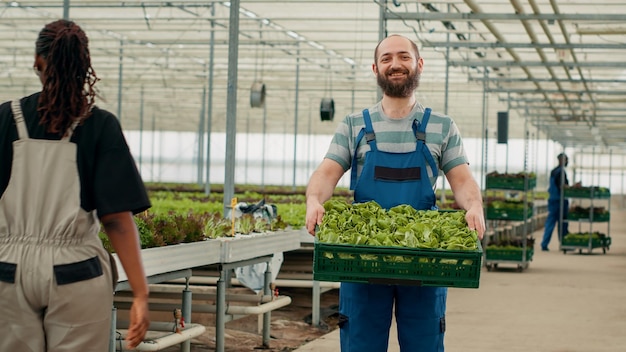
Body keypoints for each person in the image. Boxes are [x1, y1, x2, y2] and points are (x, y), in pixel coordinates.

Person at [305, 34, 485, 352]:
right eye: (387, 58)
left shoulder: (442, 126)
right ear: (376, 68)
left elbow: (462, 181)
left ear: (419, 65)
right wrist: (314, 200)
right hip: (362, 259)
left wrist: (474, 206)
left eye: (404, 56)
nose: (395, 64)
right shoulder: (353, 125)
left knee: (424, 344)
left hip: (423, 260)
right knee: (361, 343)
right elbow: (326, 173)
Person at [0, 19, 150, 351]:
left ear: (37, 62)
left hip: (7, 272)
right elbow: (116, 220)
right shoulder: (100, 126)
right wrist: (140, 293)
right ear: (84, 67)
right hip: (76, 273)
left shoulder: (5, 118)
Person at [541, 153, 576, 251]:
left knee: (550, 222)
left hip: (553, 200)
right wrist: (573, 187)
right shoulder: (561, 172)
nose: (567, 162)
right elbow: (562, 186)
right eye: (566, 160)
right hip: (559, 201)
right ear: (561, 160)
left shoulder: (554, 171)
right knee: (563, 223)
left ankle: (544, 244)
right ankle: (564, 243)